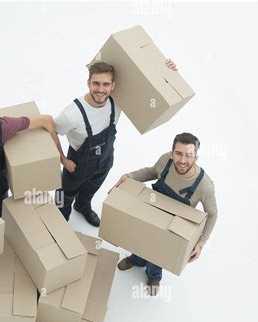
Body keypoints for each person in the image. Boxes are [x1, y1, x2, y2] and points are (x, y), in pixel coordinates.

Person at [54, 59, 178, 226]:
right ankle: (59, 222)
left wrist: (165, 71)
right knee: (64, 194)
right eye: (96, 84)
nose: (100, 90)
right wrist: (63, 160)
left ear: (113, 86)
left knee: (91, 188)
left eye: (105, 84)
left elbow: (148, 91)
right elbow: (51, 132)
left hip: (105, 161)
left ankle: (82, 206)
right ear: (88, 83)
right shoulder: (72, 114)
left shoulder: (117, 102)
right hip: (77, 165)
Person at [109, 132, 218, 296]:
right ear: (171, 153)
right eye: (178, 153)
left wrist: (201, 242)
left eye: (189, 155)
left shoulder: (204, 185)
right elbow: (152, 172)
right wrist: (130, 176)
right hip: (151, 213)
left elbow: (212, 214)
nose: (182, 160)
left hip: (172, 227)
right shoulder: (165, 162)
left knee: (158, 255)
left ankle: (154, 277)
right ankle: (136, 259)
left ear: (196, 157)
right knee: (140, 239)